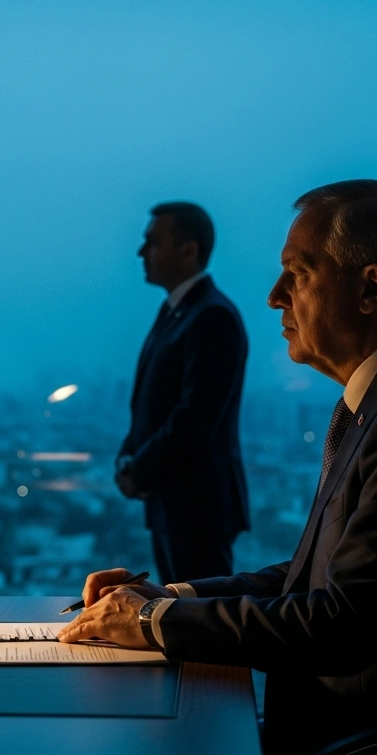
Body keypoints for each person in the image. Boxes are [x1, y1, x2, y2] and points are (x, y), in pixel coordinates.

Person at [64, 180, 377, 755]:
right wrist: (170, 595)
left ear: (371, 288)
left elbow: (341, 624)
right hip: (364, 722)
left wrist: (153, 623)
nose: (275, 295)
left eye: (298, 273)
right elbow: (318, 576)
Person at [118, 201, 249, 582]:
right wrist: (129, 460)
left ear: (189, 251)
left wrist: (138, 470)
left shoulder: (212, 316)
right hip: (175, 500)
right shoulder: (179, 312)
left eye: (153, 242)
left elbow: (196, 417)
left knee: (199, 619)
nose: (142, 252)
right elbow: (151, 404)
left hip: (198, 505)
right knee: (183, 613)